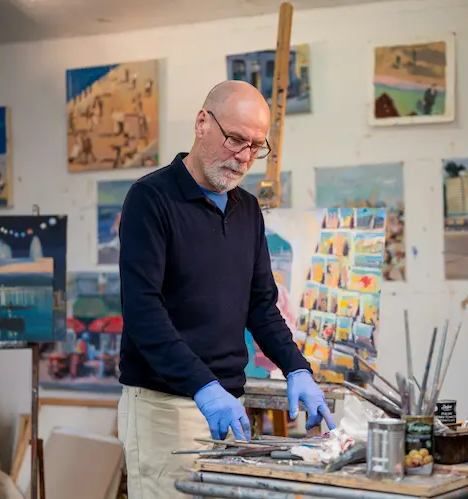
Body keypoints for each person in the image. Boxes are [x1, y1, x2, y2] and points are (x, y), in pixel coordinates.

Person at [116, 80, 336, 498]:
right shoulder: (151, 199)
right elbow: (144, 314)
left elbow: (261, 305)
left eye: (256, 146)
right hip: (167, 407)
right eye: (235, 139)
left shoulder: (246, 209)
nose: (244, 156)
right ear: (202, 123)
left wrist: (297, 367)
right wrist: (204, 387)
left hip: (231, 406)